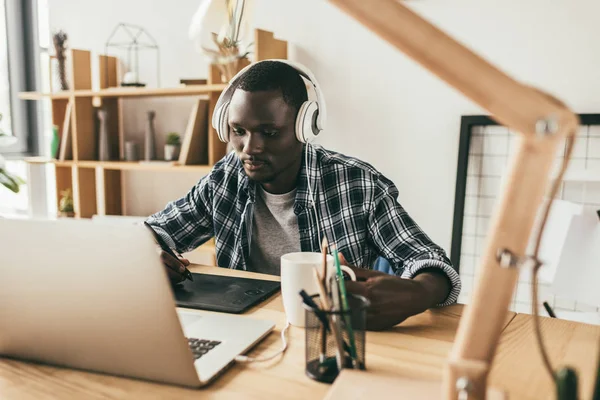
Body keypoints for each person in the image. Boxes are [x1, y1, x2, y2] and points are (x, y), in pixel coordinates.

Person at [146, 60, 461, 330]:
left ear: (304, 127)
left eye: (269, 133)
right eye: (238, 131)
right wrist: (149, 255)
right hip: (247, 328)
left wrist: (418, 293)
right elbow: (154, 229)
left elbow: (428, 260)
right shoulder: (225, 177)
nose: (249, 149)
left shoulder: (357, 183)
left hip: (328, 335)